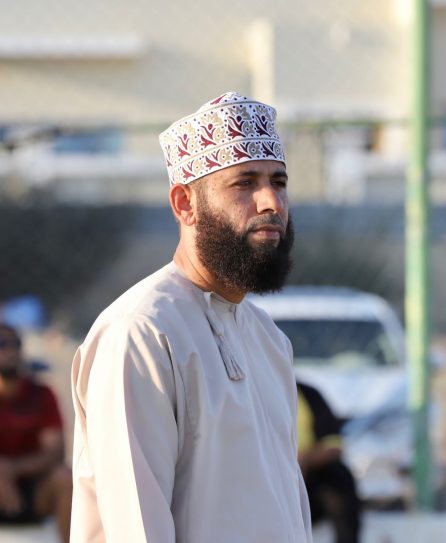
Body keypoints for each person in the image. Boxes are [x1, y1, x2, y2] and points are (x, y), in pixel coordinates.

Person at [71, 91, 312, 542]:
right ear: (185, 203)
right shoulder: (141, 332)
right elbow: (137, 526)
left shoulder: (268, 338)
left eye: (278, 182)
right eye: (244, 184)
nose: (271, 203)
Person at [0, 323, 72, 543]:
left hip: (33, 488)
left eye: (15, 343)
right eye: (2, 344)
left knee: (65, 479)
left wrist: (12, 469)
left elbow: (55, 452)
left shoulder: (41, 394)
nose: (10, 350)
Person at [297, 381, 361, 543]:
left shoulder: (307, 393)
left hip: (306, 480)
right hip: (263, 482)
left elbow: (334, 446)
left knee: (338, 475)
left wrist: (305, 459)